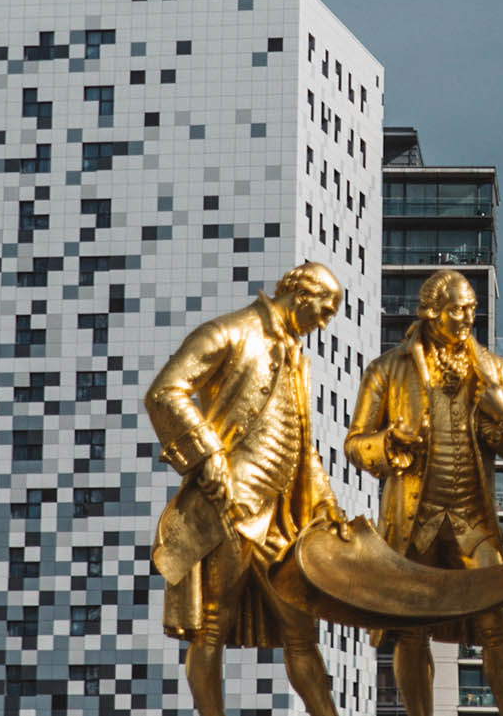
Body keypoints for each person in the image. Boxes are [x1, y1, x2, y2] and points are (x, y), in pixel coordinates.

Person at [145, 262, 349, 716]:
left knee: (302, 632)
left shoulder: (297, 355)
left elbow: (301, 442)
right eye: (325, 308)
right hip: (228, 505)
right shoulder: (230, 331)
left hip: (282, 518)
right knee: (212, 626)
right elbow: (165, 391)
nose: (325, 320)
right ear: (301, 294)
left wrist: (327, 503)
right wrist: (208, 455)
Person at [344, 270, 503, 716]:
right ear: (431, 313)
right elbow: (356, 443)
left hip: (473, 519)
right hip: (415, 518)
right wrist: (390, 443)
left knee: (501, 621)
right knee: (411, 628)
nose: (469, 317)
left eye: (472, 308)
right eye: (458, 309)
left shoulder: (493, 369)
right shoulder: (388, 370)